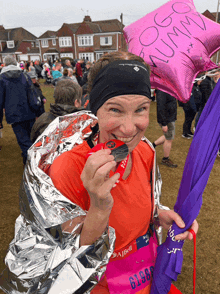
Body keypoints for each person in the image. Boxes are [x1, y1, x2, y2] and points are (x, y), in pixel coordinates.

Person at [48, 52, 198, 293]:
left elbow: (135, 209)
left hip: (147, 274)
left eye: (141, 109)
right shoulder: (68, 167)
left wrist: (159, 216)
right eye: (115, 110)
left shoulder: (145, 151)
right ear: (95, 109)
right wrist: (98, 205)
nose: (129, 128)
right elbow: (68, 259)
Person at [0, 55, 36, 164]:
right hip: (28, 112)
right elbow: (32, 95)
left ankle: (31, 165)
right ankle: (31, 161)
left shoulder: (2, 78)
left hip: (15, 114)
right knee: (30, 140)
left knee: (25, 142)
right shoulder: (24, 75)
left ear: (5, 64)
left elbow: (0, 101)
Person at [152, 90, 178, 168]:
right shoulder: (162, 90)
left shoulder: (169, 88)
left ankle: (152, 145)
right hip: (167, 119)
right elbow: (160, 106)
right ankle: (165, 159)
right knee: (169, 138)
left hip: (170, 117)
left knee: (168, 135)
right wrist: (164, 123)